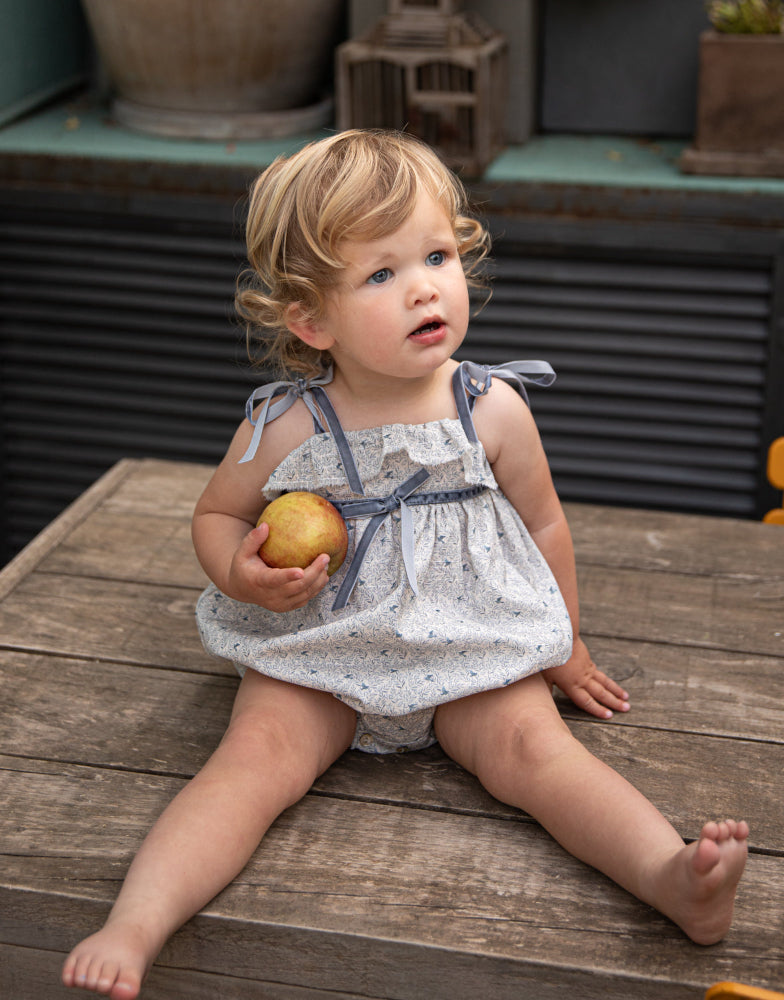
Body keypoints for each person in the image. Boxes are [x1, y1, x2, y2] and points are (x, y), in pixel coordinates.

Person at [62, 129, 748, 999]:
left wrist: (560, 645)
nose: (425, 285)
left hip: (468, 643)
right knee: (250, 763)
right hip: (324, 648)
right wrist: (243, 574)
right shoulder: (290, 421)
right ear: (311, 319)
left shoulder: (489, 406)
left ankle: (669, 877)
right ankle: (137, 921)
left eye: (434, 254)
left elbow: (543, 528)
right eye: (380, 274)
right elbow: (217, 515)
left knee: (537, 752)